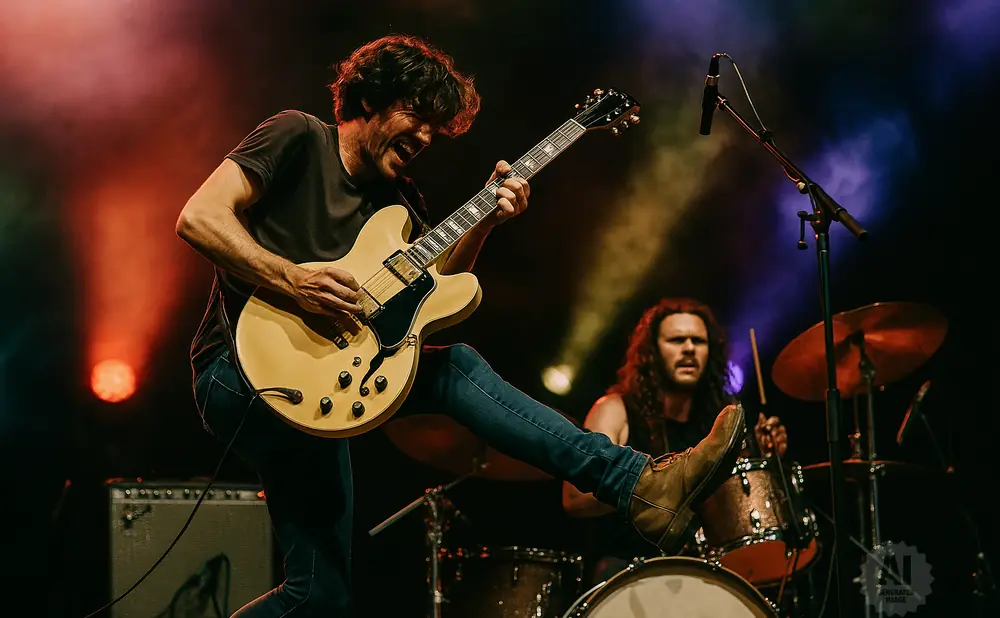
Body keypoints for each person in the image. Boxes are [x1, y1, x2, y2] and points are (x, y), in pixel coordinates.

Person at [176, 35, 745, 617]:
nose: (425, 137)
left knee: (319, 595)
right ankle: (635, 482)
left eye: (436, 129)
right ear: (369, 99)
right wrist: (292, 280)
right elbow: (198, 216)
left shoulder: (399, 202)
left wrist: (485, 222)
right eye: (417, 116)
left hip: (328, 382)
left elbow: (440, 296)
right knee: (457, 368)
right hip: (237, 371)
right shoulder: (297, 135)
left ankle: (641, 488)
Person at [562, 298, 789, 584]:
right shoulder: (616, 410)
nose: (689, 348)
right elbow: (574, 497)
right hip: (626, 572)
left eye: (698, 341)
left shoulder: (717, 421)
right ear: (652, 351)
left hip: (703, 573)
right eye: (676, 340)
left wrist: (763, 463)